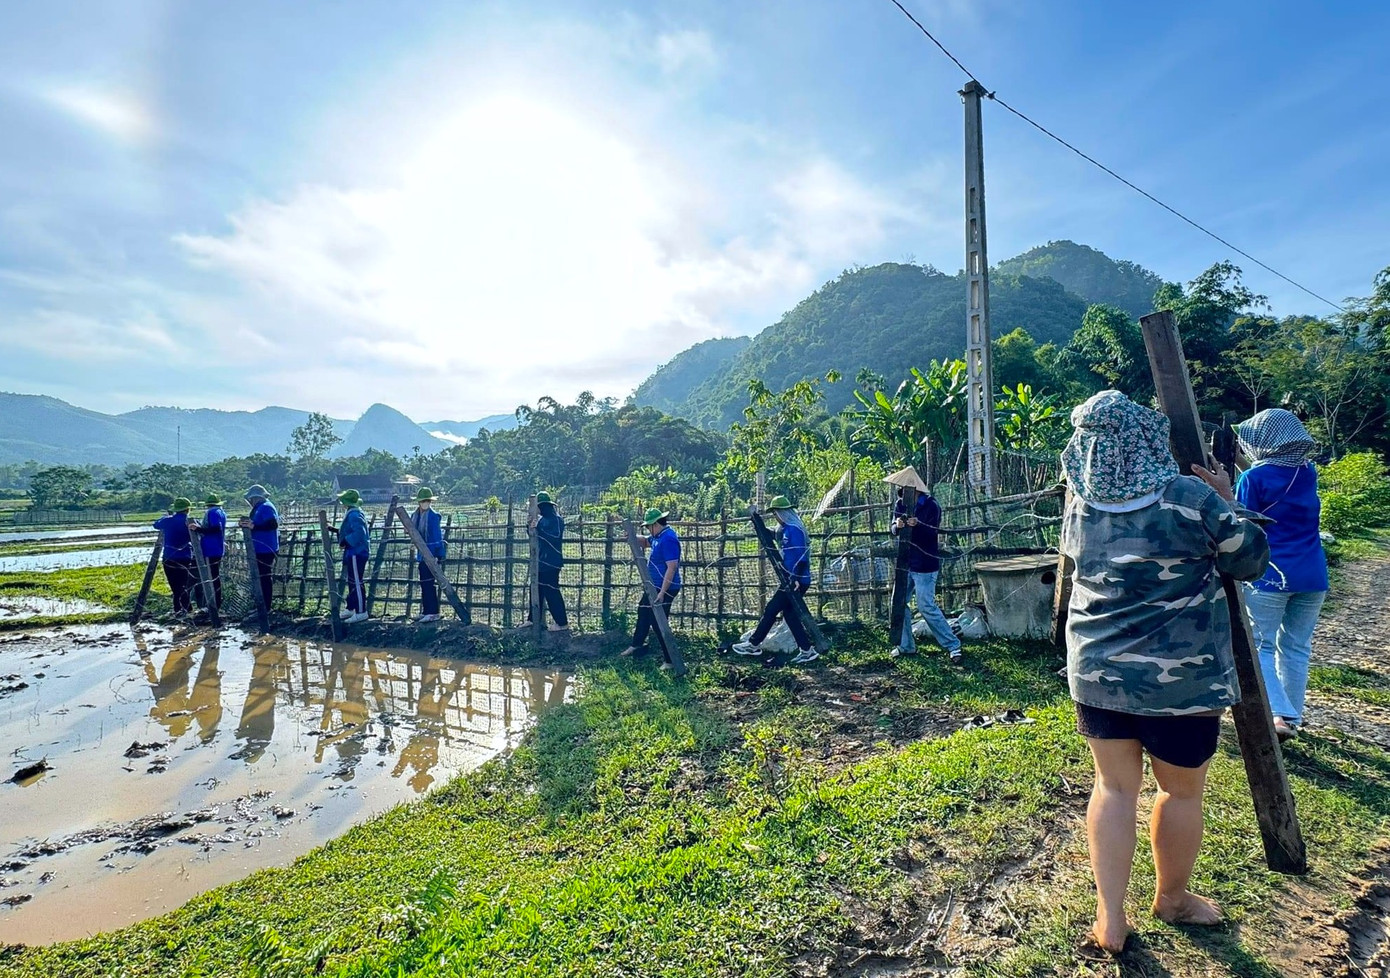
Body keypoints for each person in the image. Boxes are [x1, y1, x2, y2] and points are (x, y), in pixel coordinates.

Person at [1060, 390, 1270, 954]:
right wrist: (1230, 499)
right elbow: (1248, 560)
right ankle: (1173, 899)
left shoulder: (1078, 500)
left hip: (1097, 670)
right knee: (1178, 793)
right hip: (1182, 678)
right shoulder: (1189, 497)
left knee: (1113, 786)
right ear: (1148, 438)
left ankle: (1110, 919)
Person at [1234, 409, 1329, 742]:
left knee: (1260, 644)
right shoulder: (1308, 473)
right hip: (1313, 573)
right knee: (1296, 646)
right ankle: (1293, 716)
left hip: (1271, 573)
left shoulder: (1253, 479)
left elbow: (1241, 523)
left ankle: (1280, 714)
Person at [732, 495, 820, 664]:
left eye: (775, 513)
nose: (775, 517)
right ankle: (807, 650)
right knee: (789, 615)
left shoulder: (794, 530)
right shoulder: (785, 529)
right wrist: (756, 520)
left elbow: (801, 557)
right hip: (791, 578)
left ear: (782, 512)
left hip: (795, 579)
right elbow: (771, 534)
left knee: (772, 609)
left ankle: (753, 644)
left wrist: (794, 578)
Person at [890, 485, 963, 665]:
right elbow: (892, 528)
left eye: (908, 491)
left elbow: (933, 532)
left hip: (925, 564)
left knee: (925, 606)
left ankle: (953, 645)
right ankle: (906, 646)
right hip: (905, 564)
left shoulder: (931, 505)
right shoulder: (900, 504)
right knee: (899, 603)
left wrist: (919, 525)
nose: (905, 494)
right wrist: (896, 526)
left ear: (916, 490)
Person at [621, 508, 681, 665]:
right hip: (654, 587)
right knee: (643, 611)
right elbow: (647, 541)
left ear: (655, 524)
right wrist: (632, 536)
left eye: (649, 526)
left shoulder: (668, 539)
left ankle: (670, 660)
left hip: (665, 589)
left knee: (658, 621)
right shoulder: (658, 536)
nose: (648, 529)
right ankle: (637, 645)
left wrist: (662, 592)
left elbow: (671, 567)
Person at [530, 491, 569, 629]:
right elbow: (533, 535)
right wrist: (530, 526)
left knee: (552, 592)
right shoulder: (541, 520)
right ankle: (532, 619)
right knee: (536, 589)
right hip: (541, 562)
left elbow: (555, 537)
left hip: (552, 562)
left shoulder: (556, 520)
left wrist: (539, 527)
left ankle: (562, 623)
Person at [238, 485, 279, 613]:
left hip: (266, 548)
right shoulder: (258, 508)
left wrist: (254, 526)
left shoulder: (266, 507)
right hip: (259, 548)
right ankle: (261, 606)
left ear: (255, 498)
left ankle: (266, 608)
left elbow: (273, 524)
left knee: (265, 578)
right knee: (260, 578)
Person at [333, 489, 371, 624]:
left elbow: (359, 533)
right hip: (353, 552)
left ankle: (361, 612)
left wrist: (346, 541)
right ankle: (351, 608)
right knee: (352, 581)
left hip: (357, 552)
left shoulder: (354, 514)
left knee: (356, 581)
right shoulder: (353, 513)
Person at [153, 497, 196, 617]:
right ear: (188, 509)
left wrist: (165, 517)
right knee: (183, 583)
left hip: (169, 557)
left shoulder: (167, 521)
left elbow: (155, 524)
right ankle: (186, 608)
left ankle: (179, 608)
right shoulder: (190, 521)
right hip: (185, 556)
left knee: (174, 584)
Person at [411, 487, 446, 622]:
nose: (425, 503)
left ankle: (433, 612)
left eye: (427, 501)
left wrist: (436, 556)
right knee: (424, 583)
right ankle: (426, 611)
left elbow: (437, 537)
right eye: (423, 501)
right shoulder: (416, 516)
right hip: (422, 555)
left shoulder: (433, 517)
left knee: (429, 583)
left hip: (432, 555)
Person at [190, 494, 226, 610]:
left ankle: (214, 604)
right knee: (213, 577)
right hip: (215, 548)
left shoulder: (213, 513)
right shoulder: (220, 512)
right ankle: (213, 603)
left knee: (212, 577)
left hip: (212, 549)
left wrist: (198, 529)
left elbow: (216, 528)